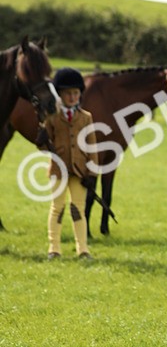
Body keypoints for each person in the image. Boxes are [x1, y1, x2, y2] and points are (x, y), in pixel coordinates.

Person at [41, 67, 98, 261]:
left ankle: (83, 249)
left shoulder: (86, 117)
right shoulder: (51, 117)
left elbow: (92, 147)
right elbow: (44, 147)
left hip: (79, 172)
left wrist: (92, 173)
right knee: (57, 208)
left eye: (76, 93)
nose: (73, 97)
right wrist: (41, 140)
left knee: (78, 209)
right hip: (58, 171)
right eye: (68, 93)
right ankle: (54, 248)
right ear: (60, 94)